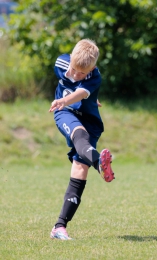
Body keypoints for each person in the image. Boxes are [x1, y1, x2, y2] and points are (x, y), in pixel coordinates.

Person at [48, 39, 115, 240]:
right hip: (64, 112)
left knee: (79, 170)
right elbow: (73, 90)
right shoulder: (61, 63)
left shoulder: (95, 76)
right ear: (71, 60)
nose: (77, 75)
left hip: (91, 120)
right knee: (79, 134)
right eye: (75, 70)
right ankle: (99, 163)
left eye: (83, 73)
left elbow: (80, 92)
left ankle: (59, 227)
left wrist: (85, 98)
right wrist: (63, 103)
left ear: (92, 68)